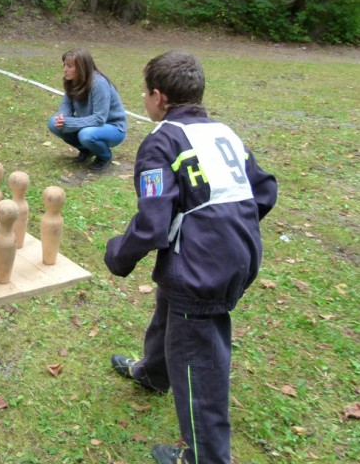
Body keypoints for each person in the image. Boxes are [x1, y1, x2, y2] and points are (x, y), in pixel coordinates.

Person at [104, 51, 278, 464]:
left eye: (145, 93)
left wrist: (119, 255)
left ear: (159, 97)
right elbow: (265, 190)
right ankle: (154, 372)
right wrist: (229, 228)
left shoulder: (161, 141)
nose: (144, 99)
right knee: (173, 304)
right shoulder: (223, 132)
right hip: (236, 252)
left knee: (198, 353)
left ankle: (206, 455)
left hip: (204, 266)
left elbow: (153, 224)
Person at [47, 48, 127, 171]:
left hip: (113, 127)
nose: (64, 69)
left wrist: (69, 123)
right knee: (54, 123)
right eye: (64, 65)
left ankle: (104, 156)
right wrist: (62, 118)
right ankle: (87, 150)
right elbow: (66, 104)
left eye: (69, 66)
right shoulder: (72, 80)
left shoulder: (99, 83)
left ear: (81, 68)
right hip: (89, 123)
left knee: (86, 134)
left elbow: (99, 118)